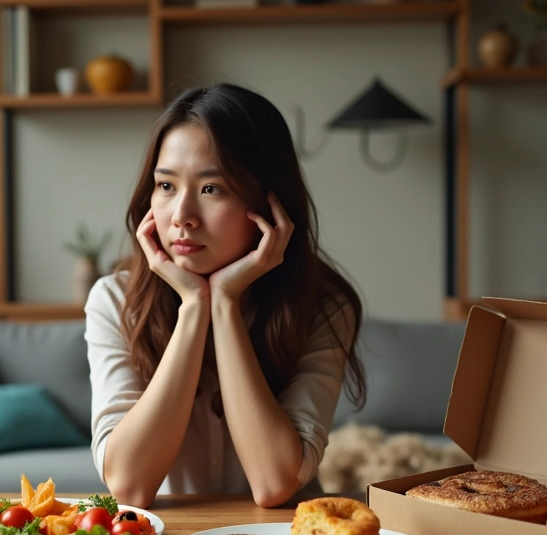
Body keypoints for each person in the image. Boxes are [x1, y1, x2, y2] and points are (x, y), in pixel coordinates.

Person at [85, 84, 366, 509]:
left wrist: (225, 304)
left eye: (211, 189)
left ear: (271, 207)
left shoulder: (322, 307)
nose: (181, 217)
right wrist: (194, 307)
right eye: (166, 186)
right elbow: (128, 485)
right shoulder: (113, 300)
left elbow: (274, 484)